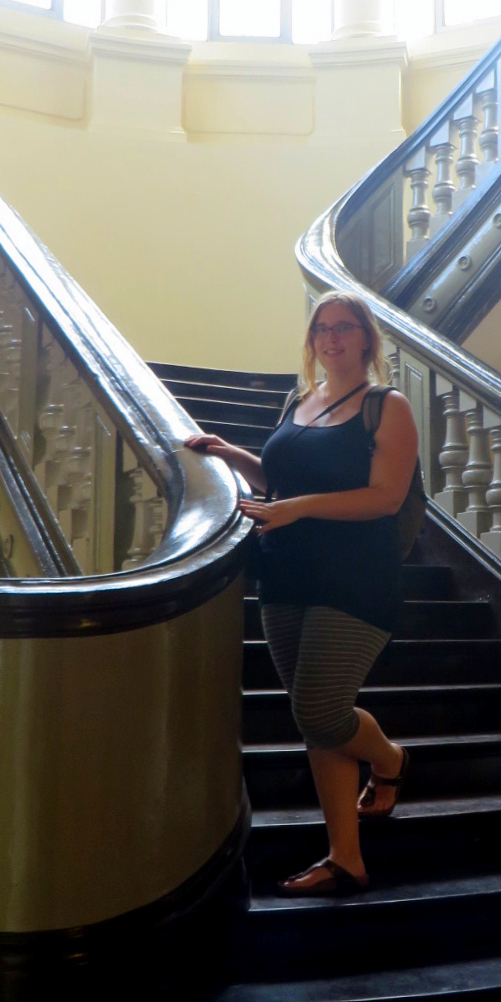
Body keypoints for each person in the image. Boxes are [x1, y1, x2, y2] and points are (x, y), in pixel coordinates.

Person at [184, 291, 419, 896]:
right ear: (312, 340)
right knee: (317, 721)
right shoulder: (300, 402)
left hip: (355, 578)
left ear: (366, 339)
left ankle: (389, 760)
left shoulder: (385, 406)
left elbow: (385, 498)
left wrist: (299, 508)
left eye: (345, 327)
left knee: (319, 710)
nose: (331, 338)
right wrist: (232, 455)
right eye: (322, 328)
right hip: (285, 575)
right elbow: (281, 481)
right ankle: (347, 859)